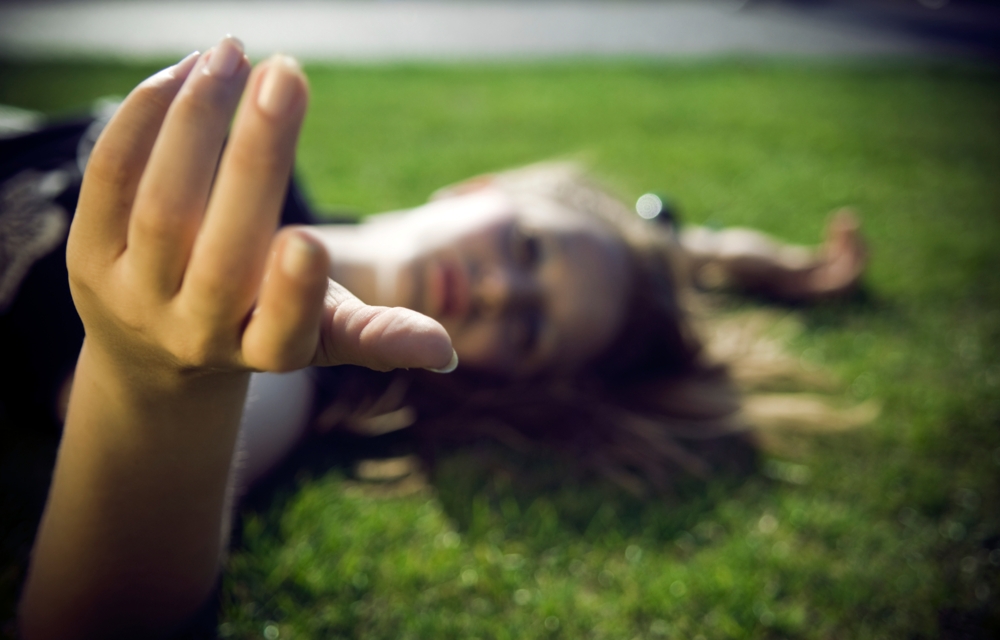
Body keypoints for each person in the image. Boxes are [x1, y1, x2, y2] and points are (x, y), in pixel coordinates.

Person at [7, 38, 866, 639]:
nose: (502, 288)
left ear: (489, 381)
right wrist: (734, 254)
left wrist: (159, 377)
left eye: (530, 330)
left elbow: (104, 617)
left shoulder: (282, 364)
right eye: (527, 246)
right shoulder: (258, 171)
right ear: (477, 188)